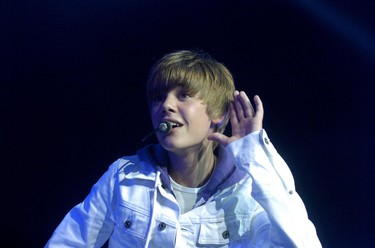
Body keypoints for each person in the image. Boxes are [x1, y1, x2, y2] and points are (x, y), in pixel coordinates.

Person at [45, 50, 322, 247]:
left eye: (184, 95)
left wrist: (254, 155)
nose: (165, 105)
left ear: (219, 113)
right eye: (158, 97)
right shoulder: (124, 178)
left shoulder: (249, 191)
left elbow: (300, 243)